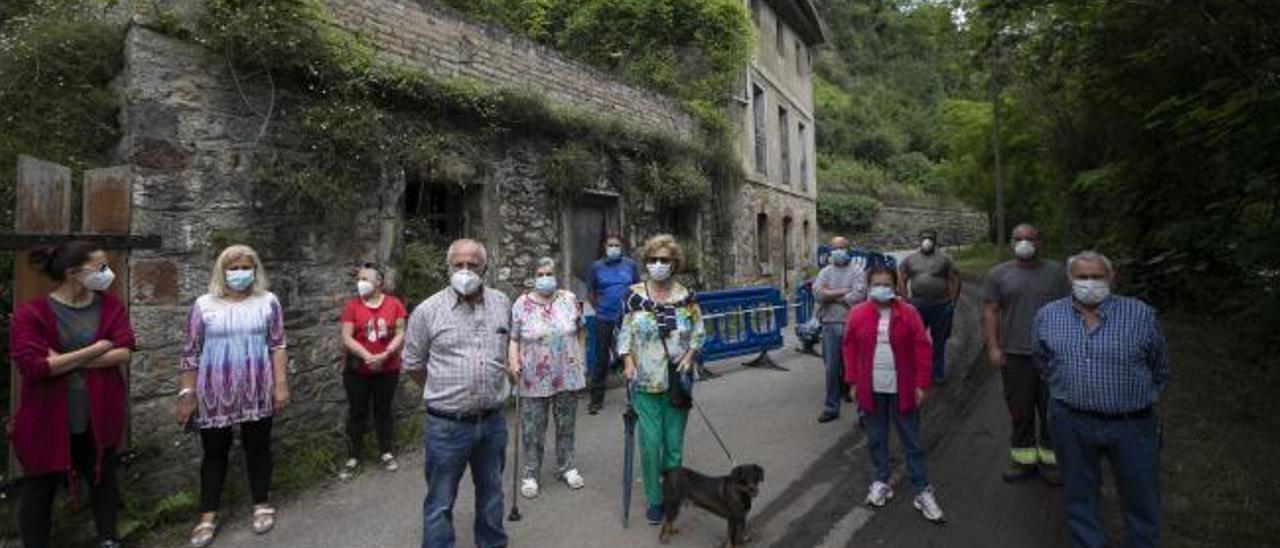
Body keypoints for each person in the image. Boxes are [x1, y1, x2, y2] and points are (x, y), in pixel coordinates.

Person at [1033, 251, 1169, 548]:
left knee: (1141, 497)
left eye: (1097, 276)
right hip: (1071, 421)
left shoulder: (1140, 314)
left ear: (1111, 278)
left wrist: (1134, 398)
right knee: (1079, 495)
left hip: (1132, 425)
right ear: (1070, 280)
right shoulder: (1047, 315)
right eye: (1082, 277)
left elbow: (1160, 367)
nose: (1090, 283)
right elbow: (1043, 362)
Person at [10, 241, 134, 548]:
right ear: (73, 273)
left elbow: (124, 352)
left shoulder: (110, 307)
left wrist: (61, 359)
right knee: (40, 487)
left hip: (98, 413)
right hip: (47, 419)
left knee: (103, 478)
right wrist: (98, 347)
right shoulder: (31, 313)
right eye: (100, 267)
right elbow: (35, 368)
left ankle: (108, 539)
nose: (108, 273)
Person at [176, 245, 289, 547]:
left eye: (246, 266)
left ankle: (261, 503)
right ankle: (207, 516)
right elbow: (190, 352)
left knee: (258, 447)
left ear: (256, 269)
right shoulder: (204, 304)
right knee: (214, 453)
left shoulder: (268, 301)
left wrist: (280, 385)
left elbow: (277, 345)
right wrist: (187, 394)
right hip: (214, 392)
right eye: (234, 267)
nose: (240, 272)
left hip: (257, 388)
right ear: (222, 271)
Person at [402, 239, 511, 548]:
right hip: (446, 425)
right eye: (458, 265)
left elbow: (505, 350)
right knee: (440, 499)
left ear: (485, 268)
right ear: (448, 268)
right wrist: (441, 392)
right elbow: (412, 363)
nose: (465, 271)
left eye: (472, 265)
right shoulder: (427, 311)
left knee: (492, 493)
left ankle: (491, 543)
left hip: (492, 421)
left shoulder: (502, 303)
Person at [842, 265, 944, 523]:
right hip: (870, 386)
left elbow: (922, 347)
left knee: (912, 441)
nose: (882, 288)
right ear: (867, 285)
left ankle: (922, 490)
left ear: (896, 286)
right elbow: (849, 348)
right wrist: (852, 381)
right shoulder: (857, 313)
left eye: (887, 284)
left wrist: (921, 383)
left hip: (904, 386)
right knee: (876, 438)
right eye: (876, 283)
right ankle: (880, 481)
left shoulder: (908, 312)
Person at [617, 234, 705, 526]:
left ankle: (672, 494)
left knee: (673, 444)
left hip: (677, 380)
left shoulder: (685, 296)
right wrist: (628, 360)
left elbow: (698, 332)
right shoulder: (633, 295)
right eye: (652, 259)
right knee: (650, 443)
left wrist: (690, 357)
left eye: (664, 260)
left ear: (674, 263)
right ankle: (655, 498)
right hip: (644, 380)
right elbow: (625, 332)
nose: (657, 264)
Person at [982, 223, 1070, 484]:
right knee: (1019, 410)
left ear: (1039, 242)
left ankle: (1052, 462)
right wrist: (993, 347)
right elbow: (990, 312)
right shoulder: (998, 274)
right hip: (1015, 355)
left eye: (1029, 238)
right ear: (1011, 242)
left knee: (1052, 410)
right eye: (1018, 238)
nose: (1023, 243)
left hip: (1052, 355)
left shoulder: (1057, 272)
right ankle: (1023, 462)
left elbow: (1071, 309)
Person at [509, 257, 587, 499]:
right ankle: (531, 473)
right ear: (533, 277)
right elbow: (513, 338)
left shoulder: (569, 299)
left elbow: (581, 330)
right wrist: (513, 362)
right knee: (533, 428)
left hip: (567, 373)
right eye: (540, 274)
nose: (545, 278)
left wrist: (581, 358)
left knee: (566, 424)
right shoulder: (521, 304)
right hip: (533, 376)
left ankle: (566, 467)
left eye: (549, 273)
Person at [338, 263, 407, 480]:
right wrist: (365, 355)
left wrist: (386, 354)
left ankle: (386, 452)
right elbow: (347, 336)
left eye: (366, 279)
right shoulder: (352, 306)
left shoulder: (394, 304)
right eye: (359, 279)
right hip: (357, 369)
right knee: (357, 412)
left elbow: (400, 332)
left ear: (379, 282)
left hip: (387, 368)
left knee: (383, 410)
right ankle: (353, 457)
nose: (361, 283)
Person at [585, 233, 641, 415]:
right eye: (610, 245)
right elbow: (591, 291)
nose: (613, 248)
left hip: (626, 318)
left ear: (622, 247)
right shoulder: (596, 267)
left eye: (617, 245)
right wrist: (599, 307)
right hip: (603, 318)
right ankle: (596, 399)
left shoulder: (630, 265)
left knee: (630, 356)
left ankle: (634, 398)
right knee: (600, 358)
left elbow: (637, 288)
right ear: (604, 247)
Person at [813, 236, 867, 423]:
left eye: (841, 247)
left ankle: (863, 411)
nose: (838, 251)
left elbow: (858, 296)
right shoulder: (825, 271)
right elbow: (818, 294)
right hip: (829, 323)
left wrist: (830, 294)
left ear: (848, 250)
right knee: (832, 368)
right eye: (834, 248)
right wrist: (844, 291)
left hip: (853, 324)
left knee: (858, 367)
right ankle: (831, 407)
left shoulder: (858, 271)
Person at [898, 229, 960, 385]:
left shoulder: (945, 259)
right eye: (924, 238)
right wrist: (905, 299)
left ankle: (937, 373)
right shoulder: (910, 259)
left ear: (935, 240)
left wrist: (953, 302)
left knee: (939, 340)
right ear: (919, 240)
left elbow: (954, 278)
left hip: (941, 305)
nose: (927, 240)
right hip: (917, 305)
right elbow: (901, 277)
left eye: (930, 238)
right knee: (915, 339)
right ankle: (916, 371)